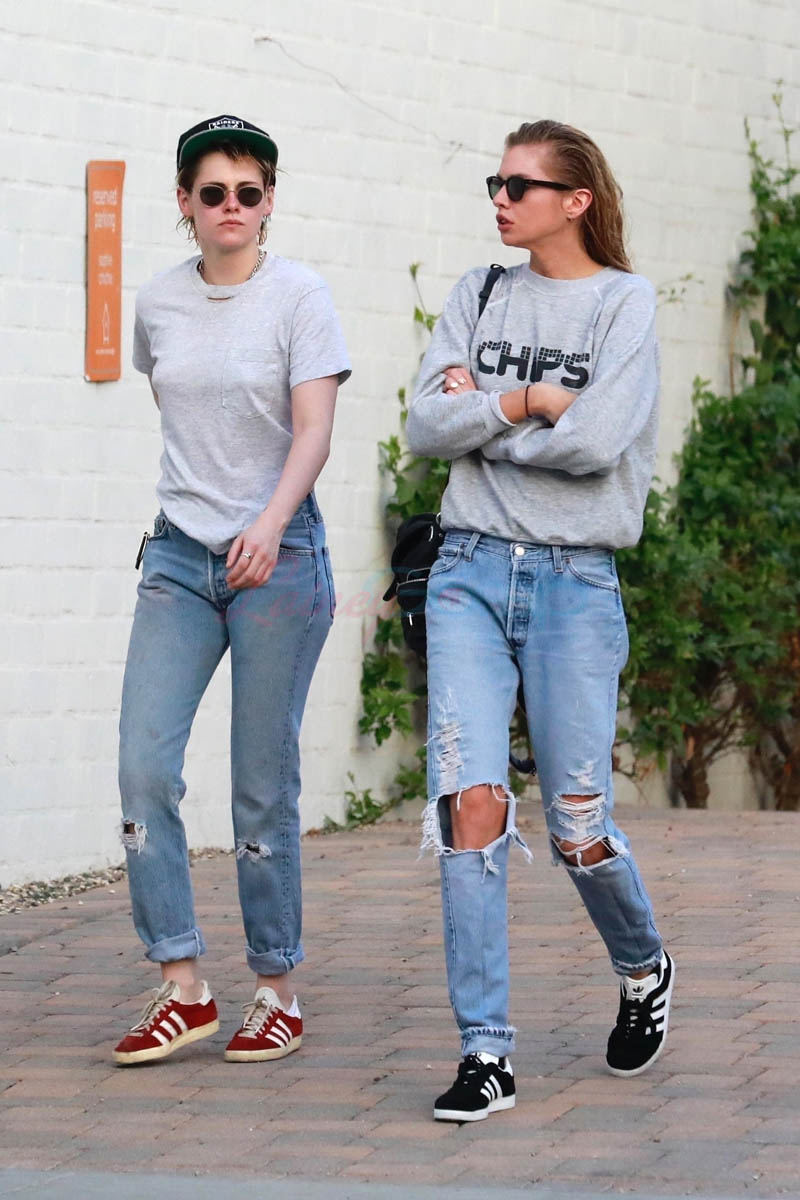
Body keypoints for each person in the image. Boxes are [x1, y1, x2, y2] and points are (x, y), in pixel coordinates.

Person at [406, 119, 674, 1122]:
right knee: (469, 810)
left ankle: (642, 964)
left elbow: (600, 442)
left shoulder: (622, 303)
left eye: (519, 185)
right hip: (467, 573)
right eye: (496, 181)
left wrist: (485, 418)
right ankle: (485, 1054)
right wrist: (529, 399)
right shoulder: (478, 292)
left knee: (576, 826)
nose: (500, 198)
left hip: (575, 583)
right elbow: (424, 424)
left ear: (575, 200)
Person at [113, 115, 350, 1066]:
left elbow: (313, 432)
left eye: (250, 193)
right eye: (213, 193)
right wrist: (208, 515)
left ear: (269, 200)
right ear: (185, 201)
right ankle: (183, 985)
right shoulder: (160, 302)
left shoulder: (300, 296)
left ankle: (277, 989)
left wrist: (267, 522)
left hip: (278, 558)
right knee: (143, 768)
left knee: (260, 783)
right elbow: (178, 407)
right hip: (179, 559)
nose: (232, 208)